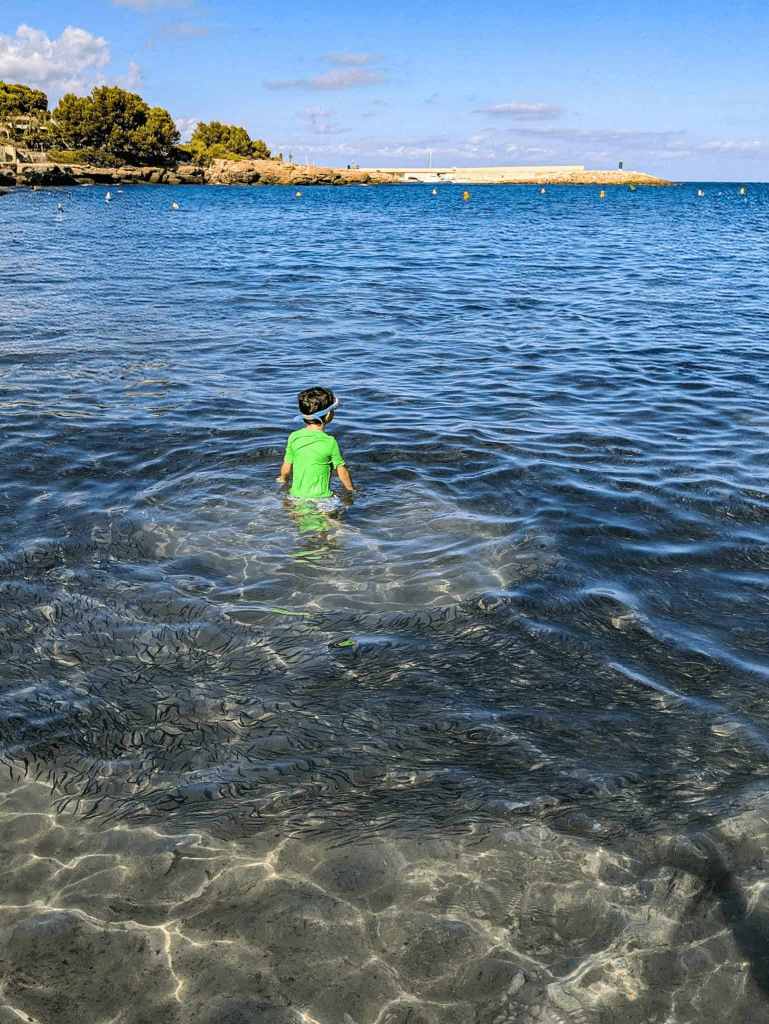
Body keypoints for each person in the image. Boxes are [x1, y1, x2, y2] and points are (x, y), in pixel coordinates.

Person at [277, 386, 354, 498]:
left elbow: (287, 466)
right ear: (328, 415)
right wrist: (351, 490)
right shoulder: (330, 442)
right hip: (322, 499)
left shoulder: (294, 437)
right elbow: (342, 471)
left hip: (295, 496)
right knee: (338, 514)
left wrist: (283, 479)